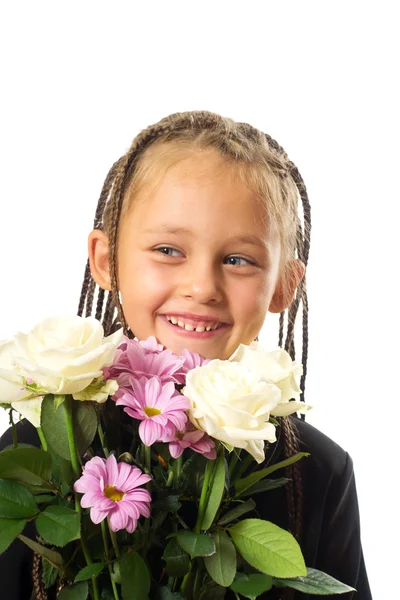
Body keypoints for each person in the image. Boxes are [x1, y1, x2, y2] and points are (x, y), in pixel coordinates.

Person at [0, 110, 372, 599]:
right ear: (107, 262)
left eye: (238, 260)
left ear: (283, 285)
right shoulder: (34, 455)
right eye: (168, 250)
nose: (201, 287)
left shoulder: (316, 470)